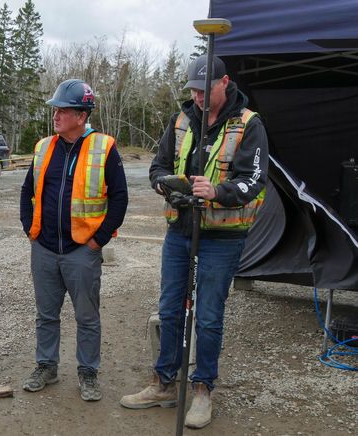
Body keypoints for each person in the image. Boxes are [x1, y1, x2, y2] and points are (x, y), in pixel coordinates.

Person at [119, 55, 268, 429]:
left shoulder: (248, 124)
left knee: (209, 316)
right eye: (193, 90)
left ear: (225, 82)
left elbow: (255, 180)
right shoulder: (182, 119)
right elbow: (159, 165)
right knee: (169, 309)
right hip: (181, 229)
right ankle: (165, 382)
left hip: (223, 235)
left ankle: (202, 390)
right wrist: (163, 184)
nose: (198, 97)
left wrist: (217, 191)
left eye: (205, 89)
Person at [19, 79, 128, 401]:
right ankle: (46, 366)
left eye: (63, 110)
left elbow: (120, 199)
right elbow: (28, 191)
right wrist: (30, 229)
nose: (56, 115)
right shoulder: (44, 147)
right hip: (45, 248)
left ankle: (88, 372)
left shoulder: (104, 147)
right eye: (55, 110)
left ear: (81, 116)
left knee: (87, 317)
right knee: (46, 314)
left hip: (83, 249)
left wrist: (98, 241)